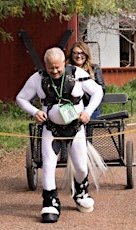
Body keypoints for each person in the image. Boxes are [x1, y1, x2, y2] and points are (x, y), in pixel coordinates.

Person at [16, 47, 104, 223]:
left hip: (76, 128)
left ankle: (80, 192)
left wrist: (88, 111)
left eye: (58, 67)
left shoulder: (77, 74)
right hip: (51, 129)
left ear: (64, 62)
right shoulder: (38, 78)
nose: (55, 71)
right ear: (45, 65)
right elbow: (21, 98)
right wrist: (34, 112)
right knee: (48, 164)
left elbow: (97, 92)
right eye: (51, 68)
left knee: (80, 167)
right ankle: (50, 202)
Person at [66, 41, 106, 119]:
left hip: (90, 107)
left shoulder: (94, 69)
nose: (79, 56)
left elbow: (102, 89)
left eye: (82, 53)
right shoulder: (66, 70)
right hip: (70, 108)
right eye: (76, 53)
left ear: (86, 54)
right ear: (71, 54)